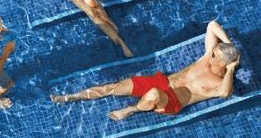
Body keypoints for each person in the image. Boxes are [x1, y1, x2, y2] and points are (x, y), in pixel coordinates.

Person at [50, 20, 240, 120]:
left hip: (171, 101)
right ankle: (72, 96)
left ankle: (131, 109)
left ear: (223, 64)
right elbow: (212, 25)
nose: (210, 53)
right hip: (162, 81)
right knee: (113, 87)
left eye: (214, 55)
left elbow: (225, 94)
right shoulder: (207, 59)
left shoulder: (219, 83)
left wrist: (231, 69)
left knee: (154, 94)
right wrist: (229, 44)